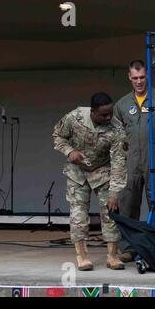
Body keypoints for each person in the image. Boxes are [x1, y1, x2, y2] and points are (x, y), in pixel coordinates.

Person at [53, 92, 126, 271]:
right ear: (92, 112)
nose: (108, 117)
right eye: (103, 114)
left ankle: (112, 255)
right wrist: (70, 152)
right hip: (77, 172)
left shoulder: (117, 128)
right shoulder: (74, 117)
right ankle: (82, 255)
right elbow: (58, 136)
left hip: (102, 172)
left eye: (110, 113)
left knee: (110, 213)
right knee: (78, 215)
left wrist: (114, 193)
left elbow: (119, 162)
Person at [112, 60, 155, 262]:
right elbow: (116, 137)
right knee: (128, 204)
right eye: (135, 78)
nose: (139, 82)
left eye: (142, 77)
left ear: (148, 76)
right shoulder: (122, 104)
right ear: (129, 77)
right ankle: (129, 248)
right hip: (131, 161)